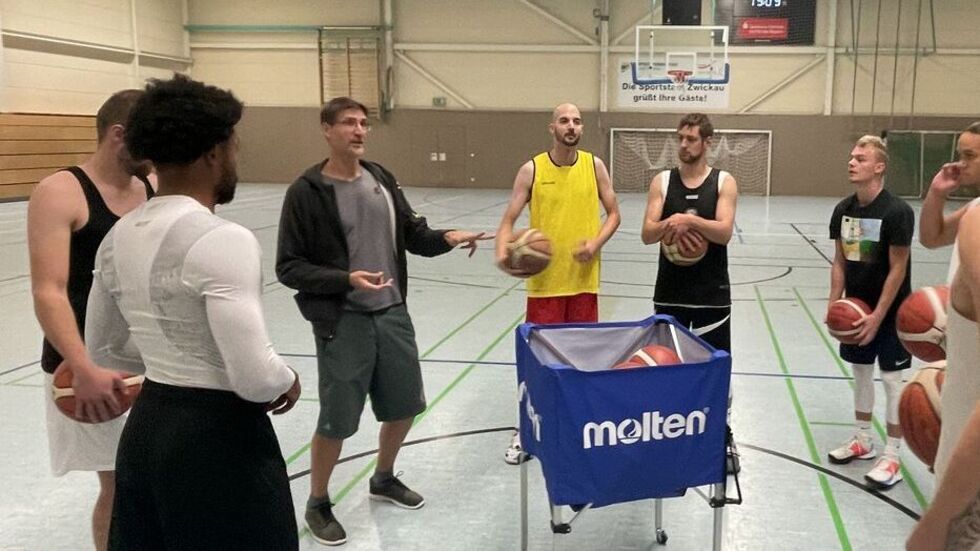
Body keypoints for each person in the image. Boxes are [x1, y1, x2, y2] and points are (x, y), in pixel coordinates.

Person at [84, 74, 301, 550]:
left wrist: (171, 357)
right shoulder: (223, 239)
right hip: (218, 444)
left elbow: (103, 347)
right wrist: (288, 378)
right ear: (213, 153)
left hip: (146, 434)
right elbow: (255, 378)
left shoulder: (116, 237)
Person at [276, 96, 488, 547]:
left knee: (406, 405)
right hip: (344, 320)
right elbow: (288, 267)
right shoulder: (307, 192)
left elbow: (413, 234)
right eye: (348, 123)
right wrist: (343, 279)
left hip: (392, 312)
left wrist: (448, 237)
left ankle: (384, 477)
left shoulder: (381, 179)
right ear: (327, 130)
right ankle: (318, 501)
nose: (359, 130)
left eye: (363, 123)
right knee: (337, 420)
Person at [26, 89, 154, 551]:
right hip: (89, 365)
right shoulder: (60, 191)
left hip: (149, 359)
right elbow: (49, 290)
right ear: (119, 135)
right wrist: (83, 366)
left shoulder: (151, 187)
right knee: (120, 484)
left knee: (154, 478)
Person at [494, 102, 621, 465]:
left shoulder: (594, 166)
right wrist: (504, 249)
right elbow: (509, 218)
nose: (571, 126)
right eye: (564, 120)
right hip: (546, 285)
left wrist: (595, 243)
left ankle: (581, 425)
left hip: (583, 282)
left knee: (585, 358)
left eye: (577, 121)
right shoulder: (532, 169)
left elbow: (614, 213)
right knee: (540, 363)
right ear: (552, 128)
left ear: (581, 129)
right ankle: (527, 429)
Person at [640, 113, 739, 472]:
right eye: (680, 138)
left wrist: (690, 221)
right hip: (669, 292)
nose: (684, 144)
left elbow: (724, 231)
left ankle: (721, 437)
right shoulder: (662, 182)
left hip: (712, 293)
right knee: (666, 370)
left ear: (707, 142)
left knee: (716, 369)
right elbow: (648, 233)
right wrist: (671, 222)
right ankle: (668, 437)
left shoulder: (723, 182)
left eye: (691, 139)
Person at [823, 135, 914, 489]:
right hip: (856, 309)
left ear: (879, 167)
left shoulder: (897, 212)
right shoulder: (843, 210)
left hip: (892, 313)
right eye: (851, 157)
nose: (852, 162)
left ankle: (893, 456)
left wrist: (878, 317)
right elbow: (839, 261)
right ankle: (863, 438)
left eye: (861, 158)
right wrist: (834, 304)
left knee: (892, 382)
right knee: (861, 373)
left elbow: (898, 269)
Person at [907, 122, 980, 550]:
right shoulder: (971, 213)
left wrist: (938, 517)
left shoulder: (977, 221)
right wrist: (937, 193)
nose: (960, 162)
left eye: (970, 156)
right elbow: (932, 236)